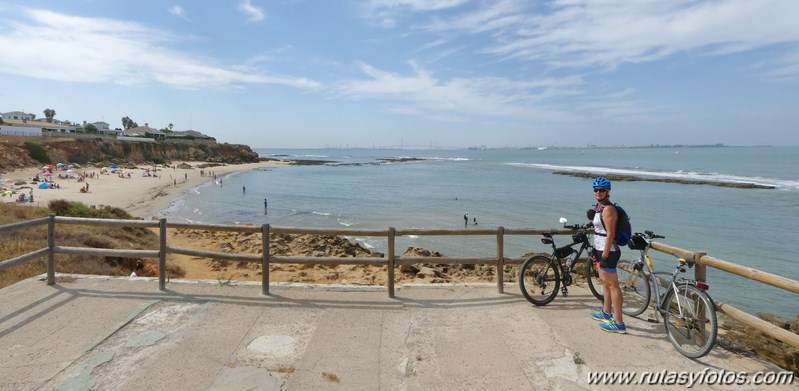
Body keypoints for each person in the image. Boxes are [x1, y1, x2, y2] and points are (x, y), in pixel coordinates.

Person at [588, 177, 625, 333]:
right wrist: (595, 251)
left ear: (607, 191)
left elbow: (610, 234)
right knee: (604, 283)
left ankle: (619, 323)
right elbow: (598, 232)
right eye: (596, 190)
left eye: (602, 190)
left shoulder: (608, 209)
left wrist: (603, 256)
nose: (598, 192)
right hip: (600, 249)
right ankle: (606, 312)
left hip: (609, 252)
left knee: (613, 286)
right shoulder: (599, 207)